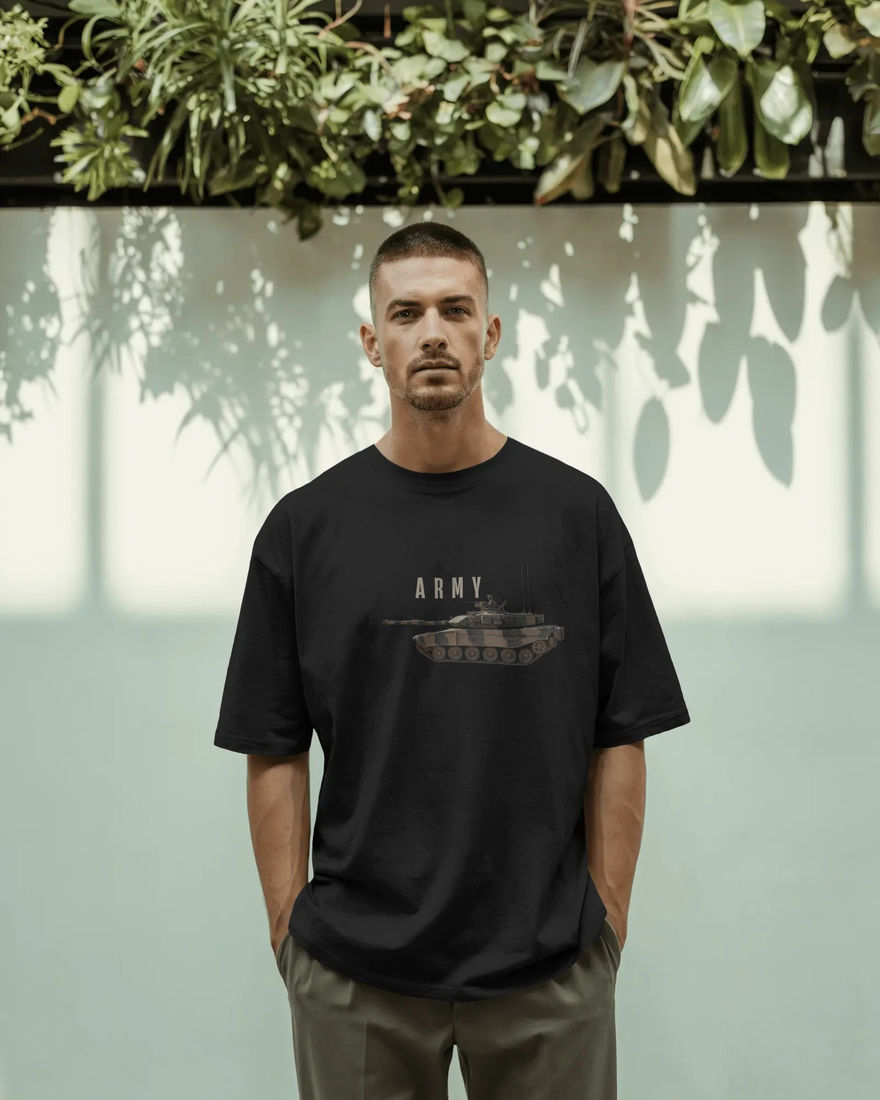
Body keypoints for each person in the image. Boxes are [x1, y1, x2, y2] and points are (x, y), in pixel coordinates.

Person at [213, 222, 691, 1099]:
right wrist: (288, 928)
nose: (431, 330)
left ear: (490, 334)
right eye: (405, 312)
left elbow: (623, 727)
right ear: (372, 342)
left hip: (550, 963)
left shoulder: (575, 516)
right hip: (355, 972)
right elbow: (271, 740)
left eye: (454, 309)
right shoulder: (304, 529)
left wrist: (608, 918)